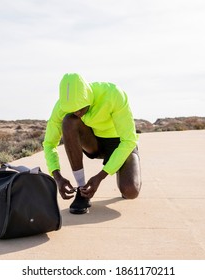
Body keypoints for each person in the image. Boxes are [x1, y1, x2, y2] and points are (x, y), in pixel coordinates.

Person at [43, 73, 141, 214]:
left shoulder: (113, 94)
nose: (77, 112)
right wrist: (57, 177)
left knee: (130, 191)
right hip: (93, 143)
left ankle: (121, 163)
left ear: (87, 97)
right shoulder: (61, 107)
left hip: (120, 142)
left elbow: (129, 140)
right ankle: (81, 190)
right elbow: (49, 144)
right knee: (69, 121)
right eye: (72, 109)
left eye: (80, 108)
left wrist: (100, 177)